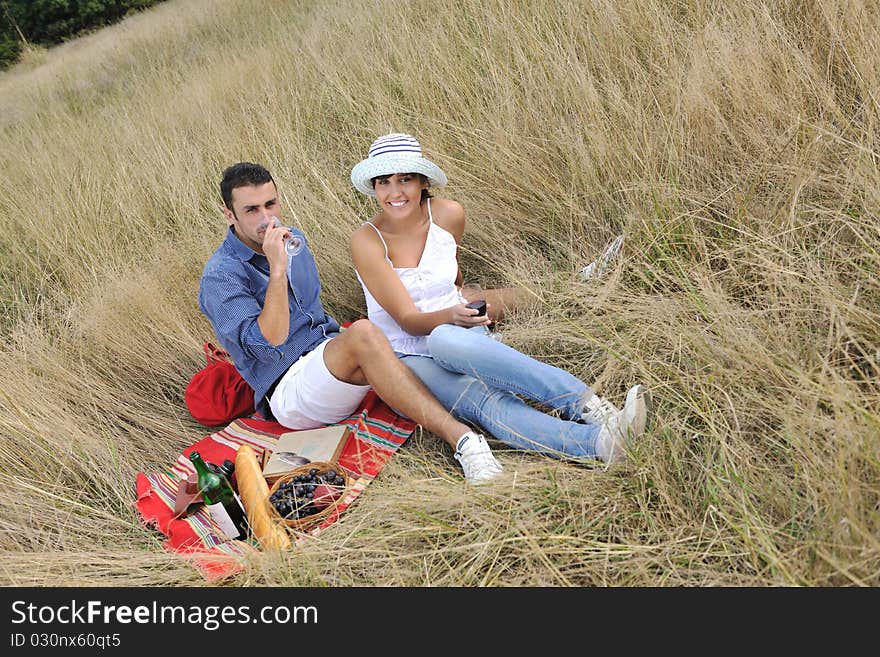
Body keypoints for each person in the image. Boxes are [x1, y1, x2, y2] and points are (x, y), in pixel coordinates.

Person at [349, 133, 654, 464]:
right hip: (407, 352)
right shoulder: (367, 241)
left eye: (405, 179)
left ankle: (587, 404)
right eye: (383, 182)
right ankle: (602, 444)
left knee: (447, 341)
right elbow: (407, 320)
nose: (394, 192)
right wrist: (453, 314)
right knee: (486, 399)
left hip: (457, 333)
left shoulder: (449, 215)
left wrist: (463, 309)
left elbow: (451, 275)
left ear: (423, 181)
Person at [198, 162, 503, 484]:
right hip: (289, 389)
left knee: (408, 326)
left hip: (327, 354)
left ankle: (495, 388)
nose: (266, 219)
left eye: (270, 204)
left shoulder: (294, 239)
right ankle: (465, 441)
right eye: (251, 210)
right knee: (365, 335)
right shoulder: (222, 275)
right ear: (229, 215)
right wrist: (277, 270)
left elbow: (313, 315)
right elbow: (267, 344)